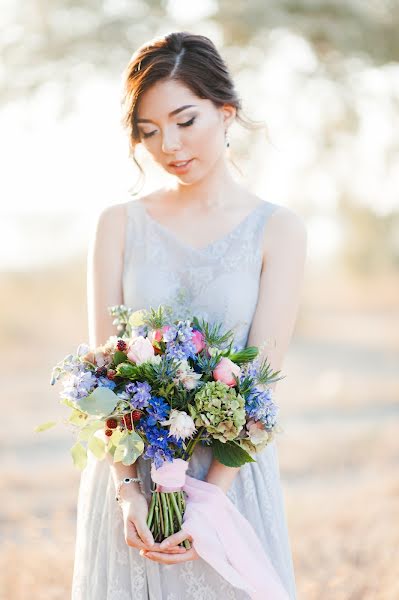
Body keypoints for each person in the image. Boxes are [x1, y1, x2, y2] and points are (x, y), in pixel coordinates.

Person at [71, 31, 307, 600]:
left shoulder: (277, 229)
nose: (169, 146)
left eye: (185, 121)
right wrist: (127, 490)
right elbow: (104, 375)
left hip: (231, 480)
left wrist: (210, 499)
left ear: (225, 113)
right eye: (148, 132)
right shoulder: (118, 225)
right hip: (134, 479)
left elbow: (261, 383)